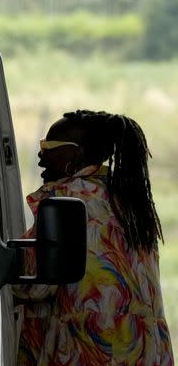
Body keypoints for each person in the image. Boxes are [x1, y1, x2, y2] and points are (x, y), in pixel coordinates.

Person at [14, 109, 173, 365]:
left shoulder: (66, 200)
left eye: (49, 146)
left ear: (74, 155)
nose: (41, 155)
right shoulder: (131, 200)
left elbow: (33, 285)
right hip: (145, 351)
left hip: (90, 349)